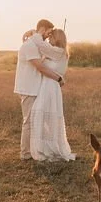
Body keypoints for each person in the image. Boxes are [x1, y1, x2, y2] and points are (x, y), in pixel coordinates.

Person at [13, 19, 65, 161]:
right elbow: (40, 67)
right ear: (42, 28)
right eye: (48, 32)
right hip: (28, 88)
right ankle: (25, 153)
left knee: (36, 121)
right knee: (29, 121)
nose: (49, 36)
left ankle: (36, 149)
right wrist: (58, 79)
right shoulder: (30, 45)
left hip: (35, 88)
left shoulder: (35, 44)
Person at [27, 28, 75, 161]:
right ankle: (43, 146)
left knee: (41, 114)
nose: (48, 39)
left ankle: (47, 147)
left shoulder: (58, 52)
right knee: (41, 116)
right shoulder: (54, 52)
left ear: (57, 38)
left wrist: (34, 34)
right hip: (46, 85)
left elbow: (41, 46)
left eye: (51, 37)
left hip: (50, 87)